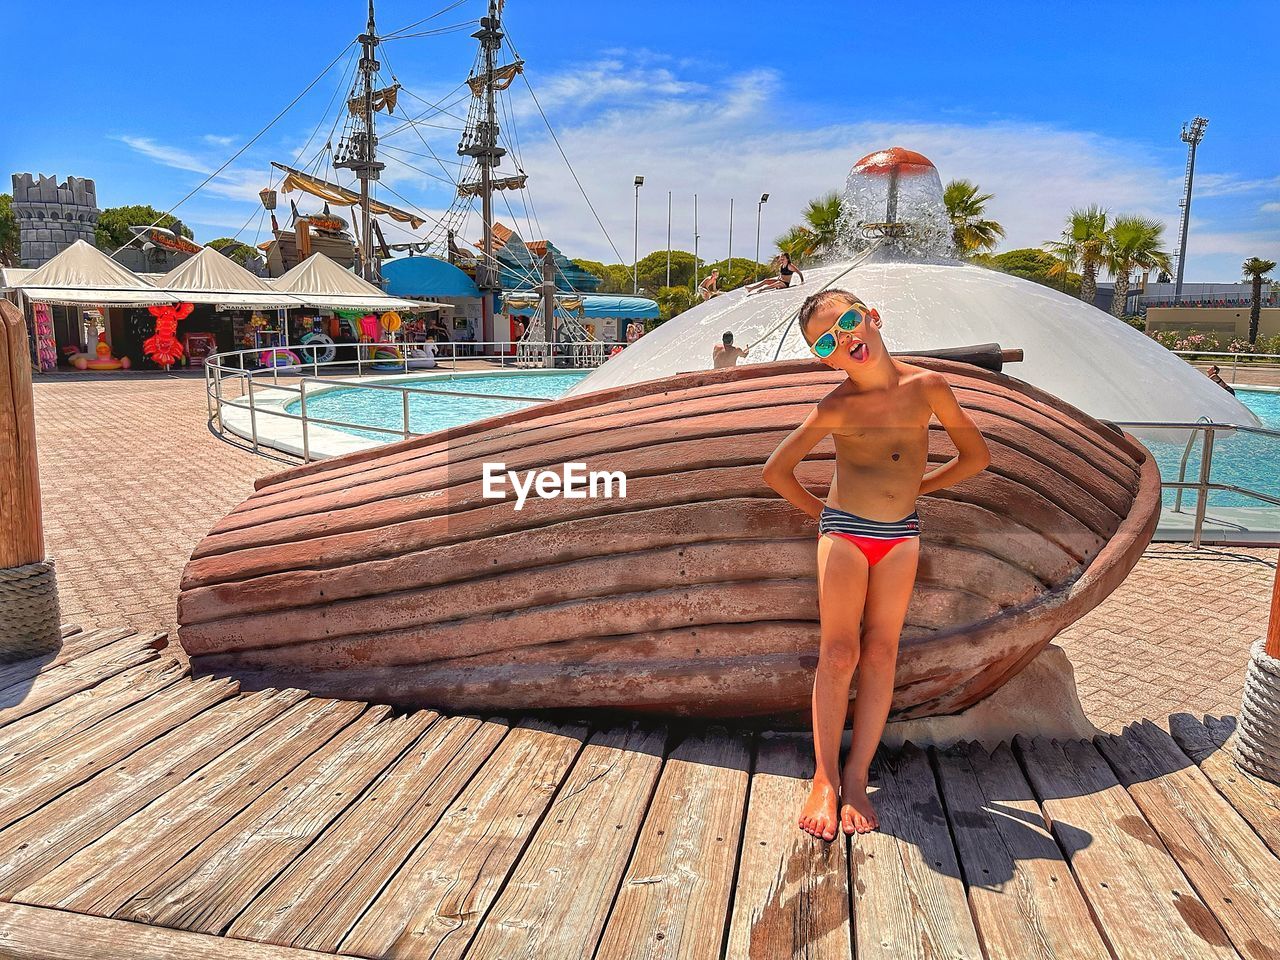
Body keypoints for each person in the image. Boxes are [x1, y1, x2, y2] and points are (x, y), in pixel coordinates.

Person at [762, 289, 989, 839]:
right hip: (845, 534)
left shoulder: (928, 388)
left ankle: (858, 777)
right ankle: (824, 776)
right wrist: (828, 516)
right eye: (826, 341)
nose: (842, 340)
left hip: (901, 535)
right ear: (825, 359)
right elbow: (777, 471)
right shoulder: (836, 407)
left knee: (883, 651)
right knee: (839, 653)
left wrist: (919, 487)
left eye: (846, 322)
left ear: (872, 317)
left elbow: (976, 456)